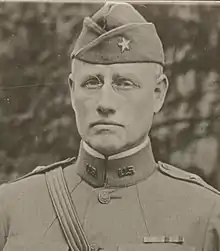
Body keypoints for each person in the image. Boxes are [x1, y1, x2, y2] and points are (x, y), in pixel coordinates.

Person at [0, 2, 220, 251]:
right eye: (92, 83)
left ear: (158, 94)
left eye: (124, 83)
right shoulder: (11, 208)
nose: (105, 103)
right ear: (72, 91)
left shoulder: (207, 215)